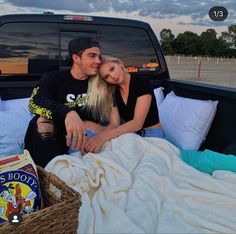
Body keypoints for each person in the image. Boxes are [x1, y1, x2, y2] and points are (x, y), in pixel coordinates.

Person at [24, 38, 119, 167]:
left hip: (90, 142)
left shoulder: (101, 82)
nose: (98, 61)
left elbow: (114, 121)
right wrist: (69, 113)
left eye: (99, 56)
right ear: (76, 58)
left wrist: (98, 132)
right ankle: (50, 175)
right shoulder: (54, 78)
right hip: (57, 141)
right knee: (41, 121)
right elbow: (34, 102)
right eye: (92, 56)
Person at [83, 55, 164, 153]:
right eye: (106, 76)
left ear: (119, 63)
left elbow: (137, 123)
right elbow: (114, 124)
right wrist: (94, 140)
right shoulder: (113, 92)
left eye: (112, 69)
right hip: (131, 135)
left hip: (153, 135)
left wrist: (103, 137)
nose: (112, 76)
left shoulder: (141, 82)